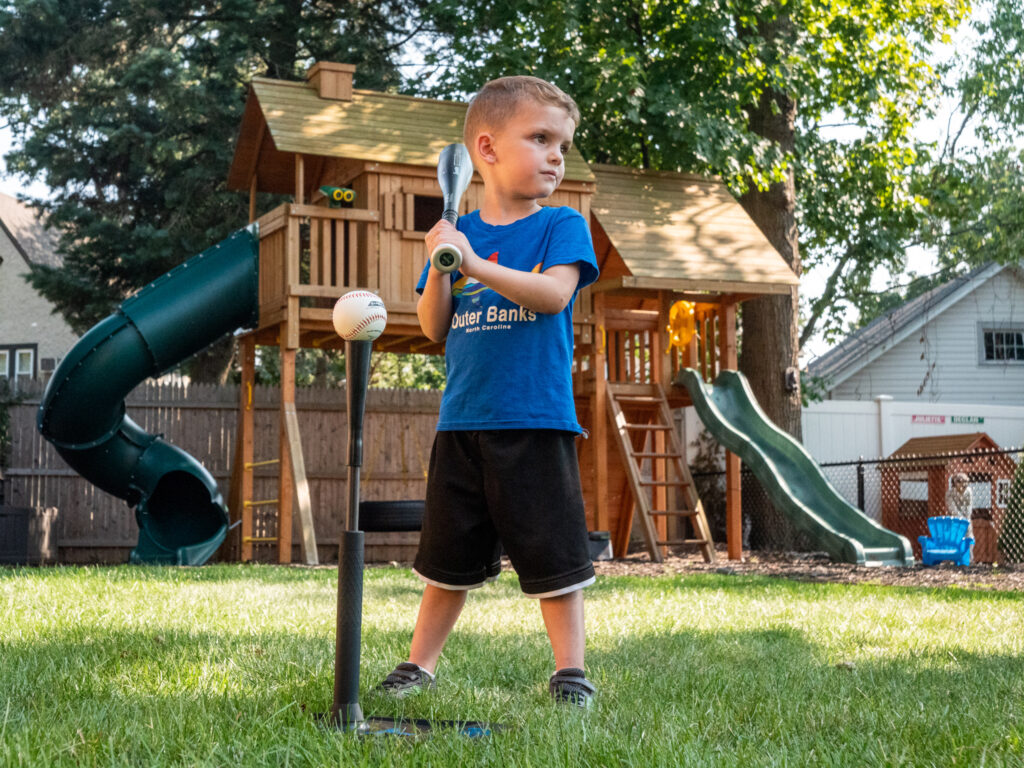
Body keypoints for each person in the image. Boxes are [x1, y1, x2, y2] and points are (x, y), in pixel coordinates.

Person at [378, 75, 600, 708]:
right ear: (487, 148)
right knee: (445, 560)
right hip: (463, 422)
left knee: (553, 557)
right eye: (540, 138)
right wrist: (442, 265)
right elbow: (433, 325)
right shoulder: (459, 232)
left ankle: (571, 673)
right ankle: (419, 666)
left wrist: (472, 263)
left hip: (534, 419)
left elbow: (555, 295)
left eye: (562, 143)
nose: (557, 155)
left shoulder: (561, 226)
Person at [945, 472, 973, 539]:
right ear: (955, 483)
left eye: (966, 481)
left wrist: (967, 518)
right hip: (954, 521)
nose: (964, 484)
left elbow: (969, 507)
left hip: (966, 519)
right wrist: (962, 519)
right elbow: (953, 510)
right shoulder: (950, 494)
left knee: (969, 537)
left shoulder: (968, 492)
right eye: (960, 482)